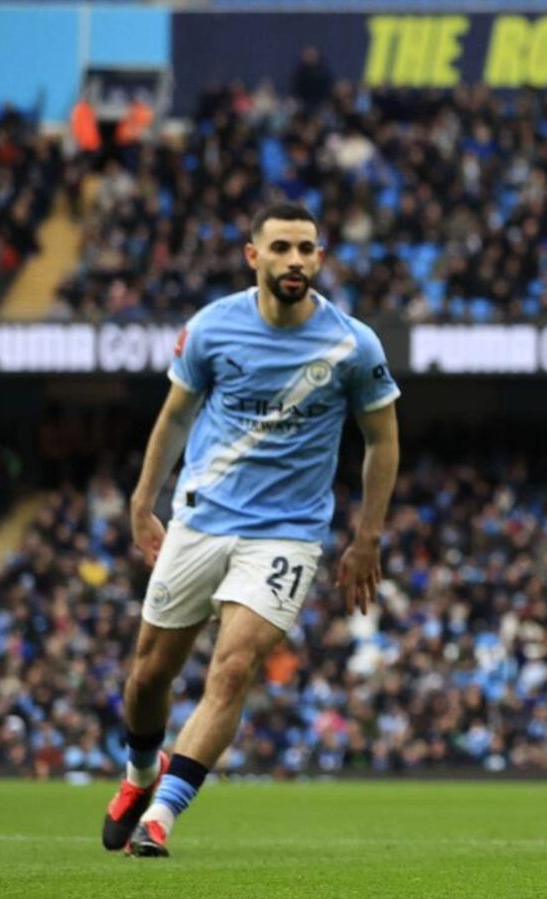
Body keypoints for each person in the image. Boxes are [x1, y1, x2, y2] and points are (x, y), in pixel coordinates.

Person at [103, 201, 401, 857]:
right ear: (254, 255)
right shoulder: (213, 327)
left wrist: (366, 534)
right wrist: (143, 497)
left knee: (233, 668)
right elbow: (175, 416)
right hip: (202, 517)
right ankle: (138, 772)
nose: (295, 260)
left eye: (307, 249)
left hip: (288, 533)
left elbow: (382, 439)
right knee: (149, 677)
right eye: (282, 248)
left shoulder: (353, 343)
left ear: (319, 258)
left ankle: (162, 815)